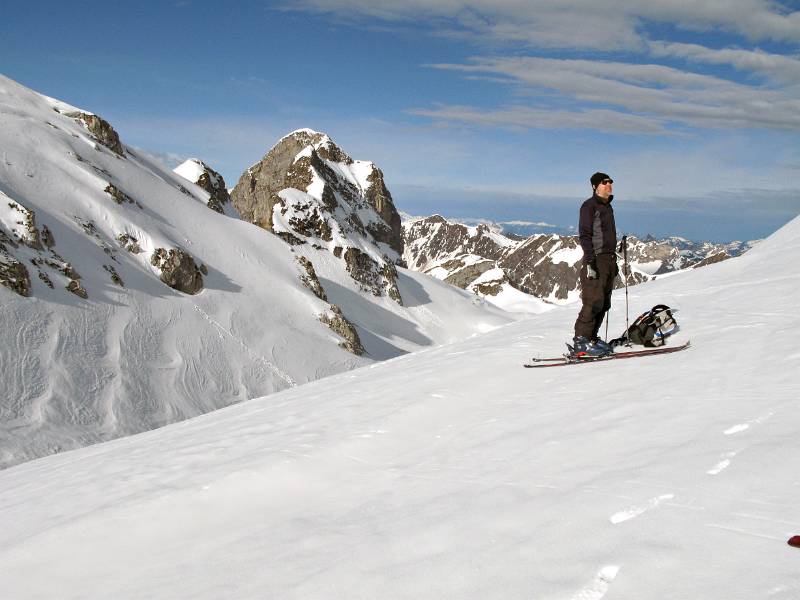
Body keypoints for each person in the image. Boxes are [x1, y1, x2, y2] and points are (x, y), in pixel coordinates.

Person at [572, 172, 618, 356]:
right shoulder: (589, 206)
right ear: (595, 186)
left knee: (604, 303)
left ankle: (591, 338)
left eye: (610, 182)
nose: (609, 184)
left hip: (608, 259)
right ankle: (581, 342)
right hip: (596, 259)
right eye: (605, 182)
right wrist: (590, 260)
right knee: (593, 301)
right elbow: (585, 234)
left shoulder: (607, 207)